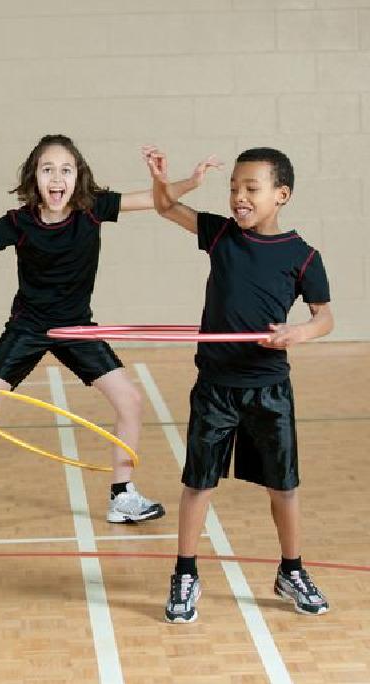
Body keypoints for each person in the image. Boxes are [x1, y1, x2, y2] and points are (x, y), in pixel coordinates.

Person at [0, 134, 217, 535]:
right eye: (48, 169)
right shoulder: (20, 223)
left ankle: (122, 494)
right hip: (28, 326)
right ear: (34, 177)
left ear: (78, 177)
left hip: (75, 327)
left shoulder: (93, 209)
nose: (57, 178)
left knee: (129, 400)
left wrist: (189, 182)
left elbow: (153, 200)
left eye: (66, 169)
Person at [145, 146, 333, 623]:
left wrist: (298, 333)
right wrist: (168, 179)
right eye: (234, 188)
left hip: (269, 389)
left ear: (281, 194)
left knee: (284, 487)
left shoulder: (303, 256)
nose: (239, 197)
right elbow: (166, 207)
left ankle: (291, 569)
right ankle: (185, 573)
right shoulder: (222, 234)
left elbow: (325, 318)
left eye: (251, 188)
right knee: (198, 482)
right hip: (216, 386)